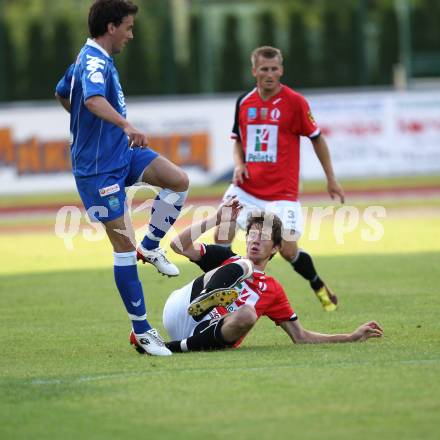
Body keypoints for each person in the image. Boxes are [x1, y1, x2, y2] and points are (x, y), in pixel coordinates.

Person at [54, 0, 189, 356]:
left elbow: (62, 91)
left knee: (177, 181)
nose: (131, 35)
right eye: (128, 27)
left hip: (121, 153)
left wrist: (93, 128)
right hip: (97, 170)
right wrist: (124, 124)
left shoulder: (88, 58)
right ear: (111, 26)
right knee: (122, 248)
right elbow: (93, 100)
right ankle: (143, 332)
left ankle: (152, 243)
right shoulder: (95, 60)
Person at [130, 199, 383, 354]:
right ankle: (208, 298)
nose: (254, 240)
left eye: (262, 237)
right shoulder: (228, 258)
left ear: (275, 248)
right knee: (243, 265)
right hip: (181, 309)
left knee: (249, 313)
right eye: (251, 234)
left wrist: (349, 336)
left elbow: (301, 337)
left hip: (207, 335)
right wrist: (216, 218)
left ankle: (164, 346)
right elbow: (178, 245)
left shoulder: (273, 290)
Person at [214, 46, 345, 312]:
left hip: (281, 193)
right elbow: (237, 140)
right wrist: (239, 165)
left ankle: (318, 284)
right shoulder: (244, 101)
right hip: (247, 188)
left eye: (274, 69)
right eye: (264, 69)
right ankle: (223, 295)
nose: (270, 74)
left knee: (287, 250)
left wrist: (331, 178)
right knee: (222, 232)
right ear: (255, 71)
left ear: (281, 70)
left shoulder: (295, 102)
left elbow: (317, 139)